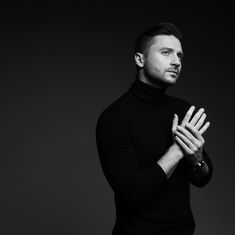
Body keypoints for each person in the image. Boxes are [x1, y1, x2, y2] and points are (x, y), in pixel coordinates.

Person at [95, 23, 213, 235]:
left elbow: (202, 177)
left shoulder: (183, 110)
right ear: (140, 59)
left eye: (180, 55)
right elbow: (132, 194)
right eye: (166, 52)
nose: (176, 61)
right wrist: (177, 151)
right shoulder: (114, 118)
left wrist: (197, 159)